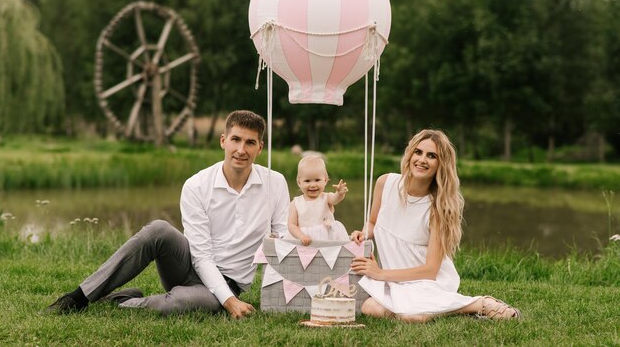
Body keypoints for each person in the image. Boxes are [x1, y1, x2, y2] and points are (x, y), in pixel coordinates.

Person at [46, 110, 290, 319]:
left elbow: (284, 241)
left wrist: (320, 207)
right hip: (188, 265)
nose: (241, 149)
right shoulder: (196, 185)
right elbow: (201, 256)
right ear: (223, 141)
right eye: (235, 140)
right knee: (158, 229)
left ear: (260, 148)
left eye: (249, 142)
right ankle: (78, 297)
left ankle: (121, 301)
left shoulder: (275, 184)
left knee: (185, 303)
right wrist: (230, 303)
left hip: (229, 283)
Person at [350, 129, 521, 322]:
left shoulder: (437, 208)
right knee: (369, 307)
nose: (422, 160)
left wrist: (380, 273)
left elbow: (430, 270)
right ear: (410, 154)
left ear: (441, 164)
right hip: (395, 279)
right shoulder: (385, 183)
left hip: (425, 280)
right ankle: (428, 310)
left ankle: (478, 304)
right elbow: (373, 222)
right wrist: (364, 233)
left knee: (414, 317)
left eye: (432, 156)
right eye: (418, 152)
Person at [287, 155, 349, 245]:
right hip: (304, 240)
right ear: (299, 182)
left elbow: (335, 199)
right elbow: (291, 225)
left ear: (325, 180)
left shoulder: (326, 198)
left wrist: (339, 193)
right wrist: (301, 236)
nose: (312, 185)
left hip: (326, 239)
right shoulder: (296, 203)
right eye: (307, 181)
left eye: (317, 180)